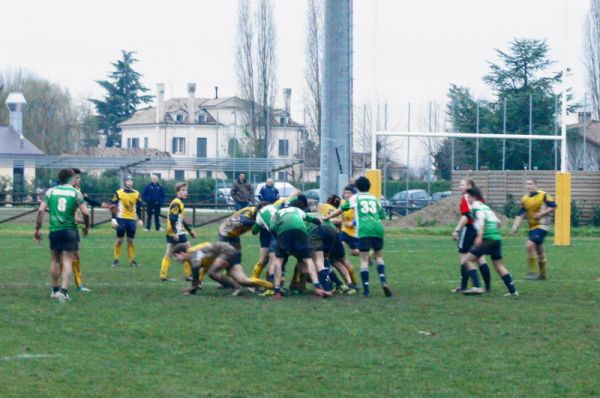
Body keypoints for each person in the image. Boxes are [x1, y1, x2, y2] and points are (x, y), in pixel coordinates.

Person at [325, 176, 392, 298]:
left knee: (364, 260)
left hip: (364, 230)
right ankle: (384, 282)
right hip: (378, 229)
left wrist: (327, 217)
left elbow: (340, 210)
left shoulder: (356, 198)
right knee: (378, 257)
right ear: (369, 187)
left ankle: (366, 290)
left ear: (356, 188)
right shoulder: (374, 199)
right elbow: (382, 216)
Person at [34, 168, 90, 302]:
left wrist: (37, 229)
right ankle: (63, 292)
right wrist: (86, 227)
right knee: (67, 261)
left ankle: (54, 290)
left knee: (54, 260)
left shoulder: (50, 191)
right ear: (71, 178)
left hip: (55, 230)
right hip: (70, 230)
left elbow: (41, 210)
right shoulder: (76, 192)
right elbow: (86, 213)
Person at [270, 197, 332, 299]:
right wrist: (319, 221)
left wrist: (279, 237)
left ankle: (277, 290)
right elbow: (314, 220)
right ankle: (317, 287)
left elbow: (272, 228)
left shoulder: (277, 213)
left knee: (279, 260)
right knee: (307, 259)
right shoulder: (297, 210)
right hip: (300, 231)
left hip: (284, 232)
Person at [464, 188, 518, 297]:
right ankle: (513, 291)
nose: (467, 199)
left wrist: (480, 235)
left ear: (474, 197)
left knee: (468, 260)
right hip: (496, 238)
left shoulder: (476, 207)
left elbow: (481, 219)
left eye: (468, 197)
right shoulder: (486, 207)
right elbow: (498, 222)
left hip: (488, 239)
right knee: (499, 265)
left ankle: (477, 286)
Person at [71, 168, 115, 292]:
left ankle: (78, 284)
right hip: (64, 227)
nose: (78, 180)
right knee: (64, 257)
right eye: (76, 177)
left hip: (72, 228)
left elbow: (91, 201)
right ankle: (59, 286)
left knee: (75, 255)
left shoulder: (79, 191)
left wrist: (108, 206)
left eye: (79, 178)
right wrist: (76, 218)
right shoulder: (63, 190)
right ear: (70, 178)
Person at [173, 242, 273, 296]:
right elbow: (200, 270)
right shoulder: (192, 257)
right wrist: (194, 286)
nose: (176, 260)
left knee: (212, 273)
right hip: (229, 252)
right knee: (243, 281)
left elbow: (196, 271)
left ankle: (236, 287)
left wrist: (193, 287)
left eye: (176, 257)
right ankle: (273, 287)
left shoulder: (193, 253)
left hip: (226, 252)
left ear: (182, 253)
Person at [451, 178, 492, 293]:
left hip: (469, 229)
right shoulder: (480, 197)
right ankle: (488, 287)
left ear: (469, 186)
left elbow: (466, 216)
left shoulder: (466, 197)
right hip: (480, 229)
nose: (460, 187)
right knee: (480, 258)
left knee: (464, 257)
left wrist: (457, 230)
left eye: (462, 184)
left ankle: (469, 286)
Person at [159, 182, 196, 282]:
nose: (185, 192)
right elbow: (172, 218)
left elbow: (180, 219)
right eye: (183, 190)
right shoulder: (176, 203)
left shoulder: (179, 202)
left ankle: (163, 275)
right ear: (177, 192)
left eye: (186, 190)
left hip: (173, 231)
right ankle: (187, 274)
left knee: (169, 253)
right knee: (189, 250)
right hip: (176, 232)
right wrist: (175, 232)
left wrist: (190, 230)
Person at [111, 175, 143, 267]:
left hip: (132, 219)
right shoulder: (118, 193)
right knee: (120, 240)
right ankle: (116, 260)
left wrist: (140, 219)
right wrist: (113, 219)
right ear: (125, 182)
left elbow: (139, 207)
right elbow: (113, 206)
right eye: (127, 180)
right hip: (121, 219)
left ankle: (132, 260)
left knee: (131, 241)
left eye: (131, 180)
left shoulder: (137, 193)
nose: (129, 182)